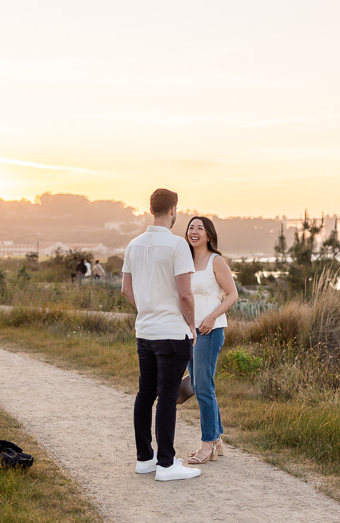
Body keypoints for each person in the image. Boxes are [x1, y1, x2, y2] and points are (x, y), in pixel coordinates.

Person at [121, 188, 200, 482]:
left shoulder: (134, 245)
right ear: (173, 209)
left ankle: (145, 459)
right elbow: (185, 296)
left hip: (146, 331)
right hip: (172, 333)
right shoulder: (177, 246)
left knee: (145, 394)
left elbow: (126, 290)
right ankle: (167, 464)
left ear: (151, 208)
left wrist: (149, 309)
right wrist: (190, 327)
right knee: (167, 396)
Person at [184, 216, 239, 465]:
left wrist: (211, 318)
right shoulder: (184, 260)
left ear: (208, 235)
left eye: (200, 228)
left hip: (209, 330)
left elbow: (232, 295)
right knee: (198, 385)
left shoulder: (216, 261)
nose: (194, 232)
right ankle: (216, 439)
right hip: (188, 331)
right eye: (191, 227)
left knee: (204, 387)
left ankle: (207, 444)